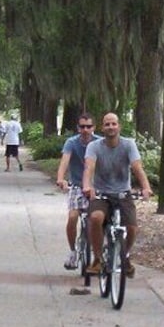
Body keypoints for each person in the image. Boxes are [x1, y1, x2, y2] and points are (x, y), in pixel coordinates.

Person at [82, 112, 153, 279]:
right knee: (96, 218)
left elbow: (137, 168)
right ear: (102, 127)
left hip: (123, 193)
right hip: (101, 193)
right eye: (107, 124)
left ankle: (124, 256)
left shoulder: (129, 145)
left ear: (119, 126)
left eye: (113, 124)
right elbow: (89, 168)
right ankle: (98, 259)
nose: (110, 127)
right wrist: (87, 185)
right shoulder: (94, 146)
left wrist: (146, 188)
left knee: (132, 227)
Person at [55, 113, 100, 270]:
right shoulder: (71, 142)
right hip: (77, 186)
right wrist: (61, 179)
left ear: (94, 128)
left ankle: (99, 253)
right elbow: (64, 162)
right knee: (73, 216)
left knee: (98, 220)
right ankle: (73, 251)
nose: (85, 130)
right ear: (78, 128)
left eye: (89, 126)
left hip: (96, 187)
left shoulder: (100, 142)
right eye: (82, 126)